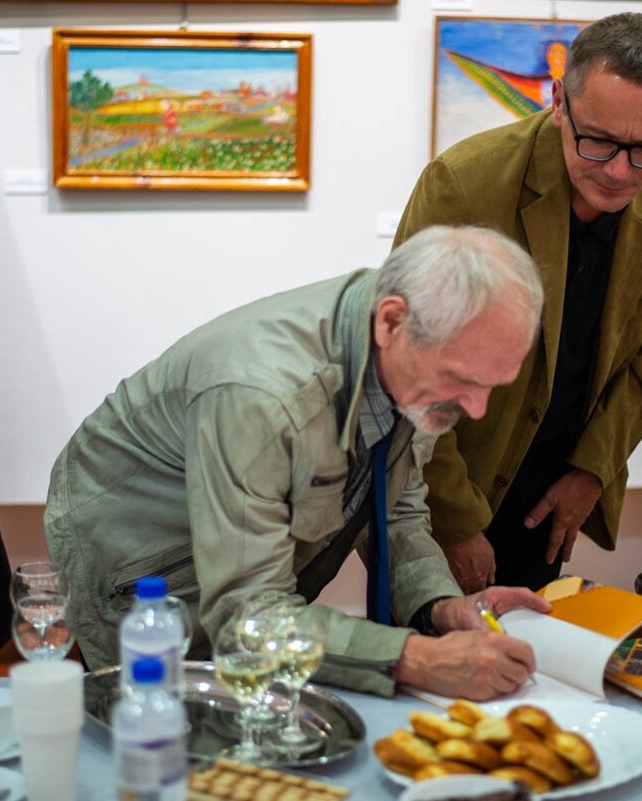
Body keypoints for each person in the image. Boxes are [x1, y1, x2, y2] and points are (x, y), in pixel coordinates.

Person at [45, 225, 553, 700]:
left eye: (492, 384)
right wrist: (418, 659)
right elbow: (248, 622)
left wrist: (442, 608)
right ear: (391, 321)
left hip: (235, 579)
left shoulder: (415, 351)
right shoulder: (262, 396)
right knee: (158, 742)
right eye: (463, 379)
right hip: (142, 567)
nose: (477, 407)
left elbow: (394, 509)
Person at [393, 12, 642, 593]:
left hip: (555, 487)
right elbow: (407, 367)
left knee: (525, 664)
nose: (618, 172)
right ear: (558, 100)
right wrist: (455, 521)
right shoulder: (464, 183)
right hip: (452, 480)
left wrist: (593, 468)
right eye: (599, 141)